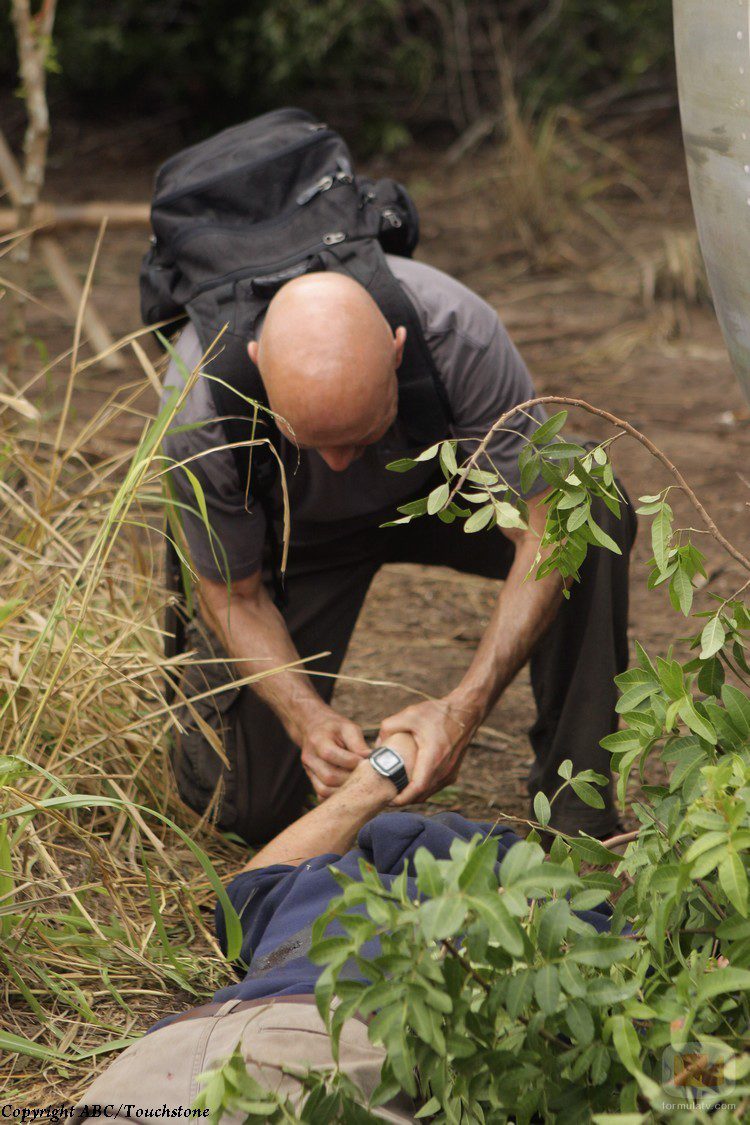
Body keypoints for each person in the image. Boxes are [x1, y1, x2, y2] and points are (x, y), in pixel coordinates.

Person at [163, 259, 636, 846]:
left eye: (362, 434)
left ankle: (577, 810)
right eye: (312, 443)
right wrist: (304, 718)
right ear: (259, 362)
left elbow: (543, 525)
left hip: (444, 496)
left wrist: (465, 707)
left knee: (585, 502)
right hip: (297, 536)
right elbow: (233, 593)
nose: (339, 464)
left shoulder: (457, 333)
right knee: (242, 808)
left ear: (397, 349)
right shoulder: (202, 400)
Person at [75, 732, 614, 1120]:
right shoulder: (528, 918)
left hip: (175, 1049)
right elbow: (616, 986)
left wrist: (376, 778)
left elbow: (240, 892)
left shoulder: (319, 882)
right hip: (326, 1053)